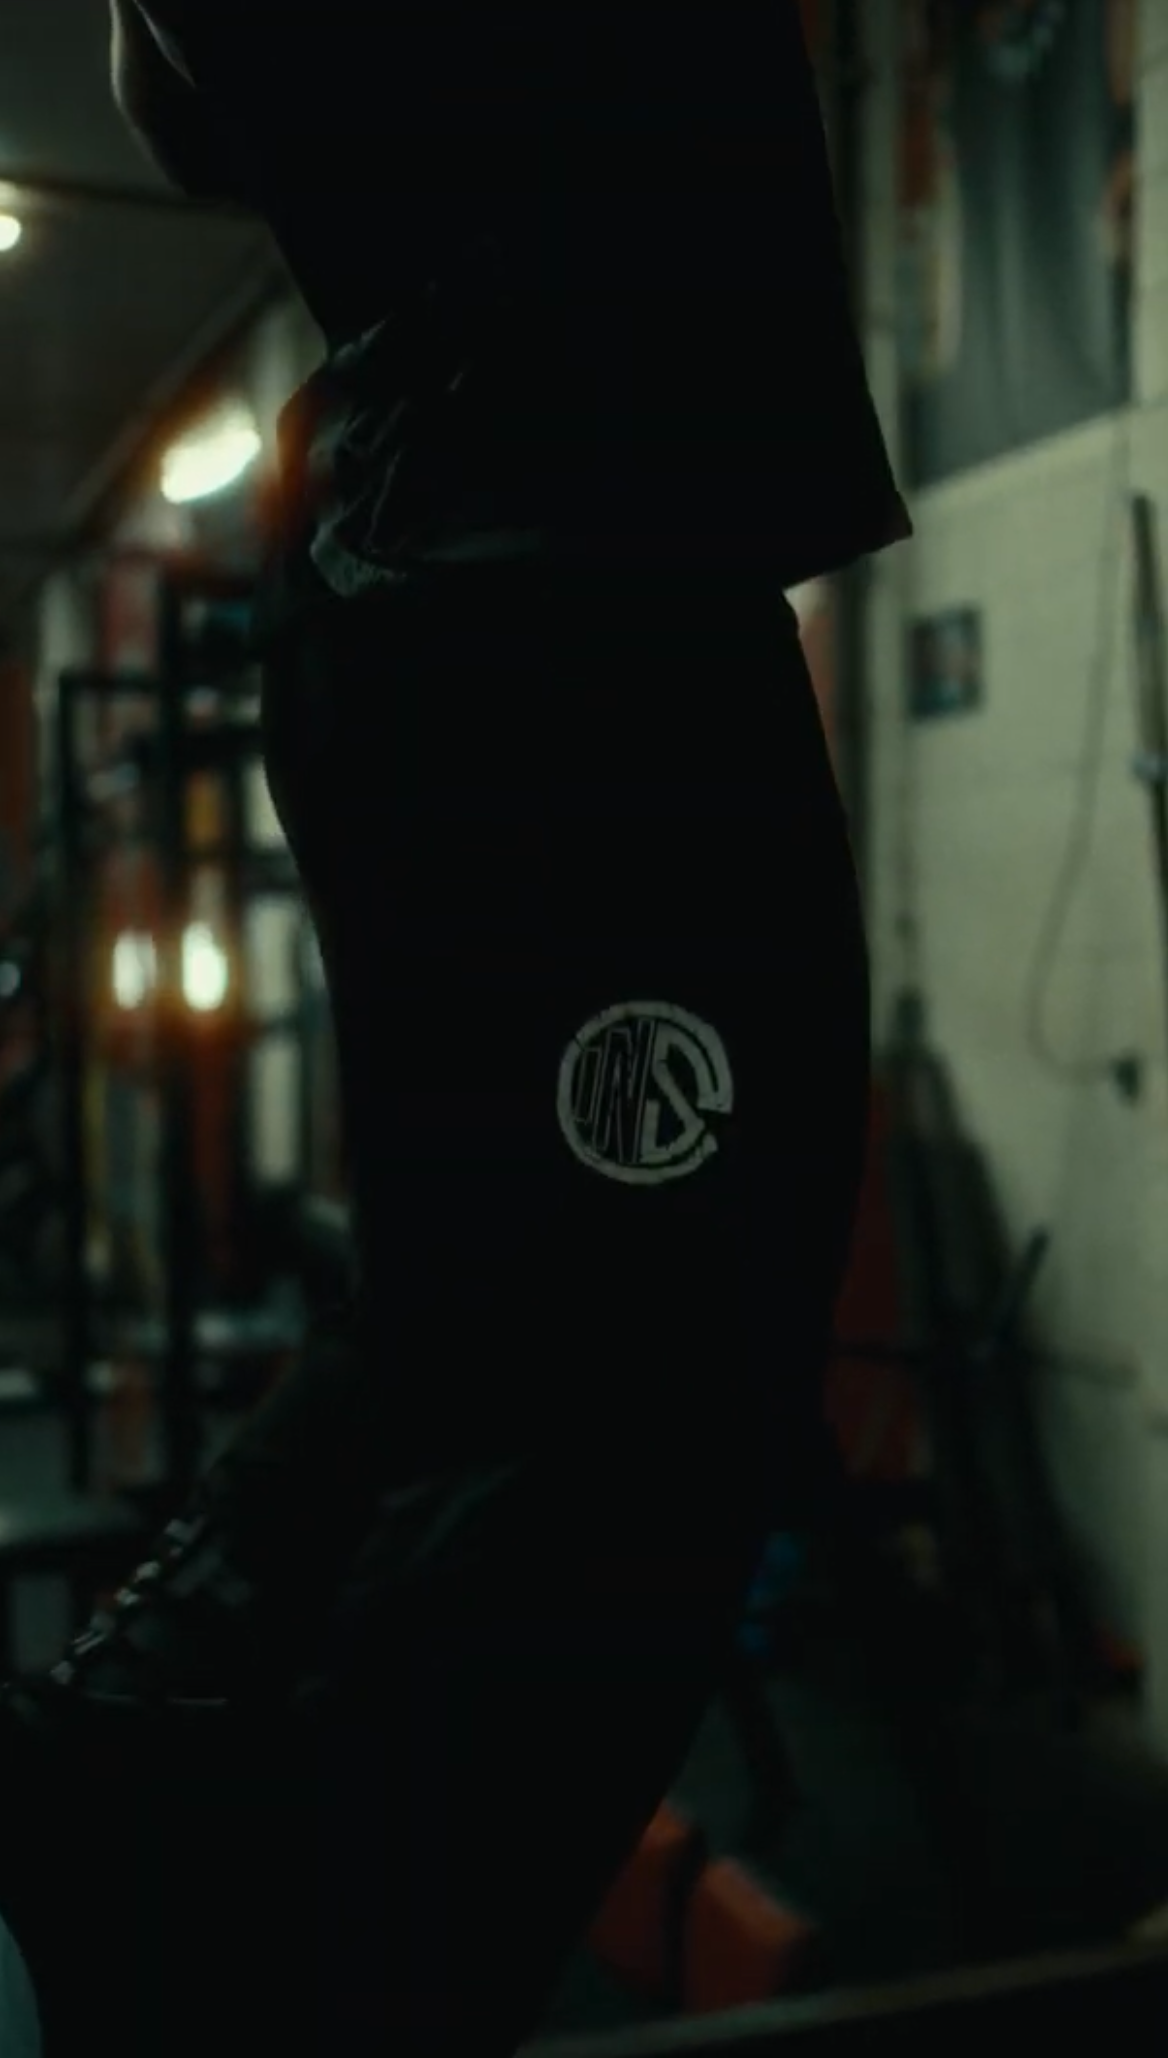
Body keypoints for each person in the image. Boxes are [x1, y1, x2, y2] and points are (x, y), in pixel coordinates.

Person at [0, 5, 911, 2053]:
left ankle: (104, 1828)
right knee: (631, 1381)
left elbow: (171, 103)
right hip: (554, 517)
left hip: (467, 516)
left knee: (501, 1333)